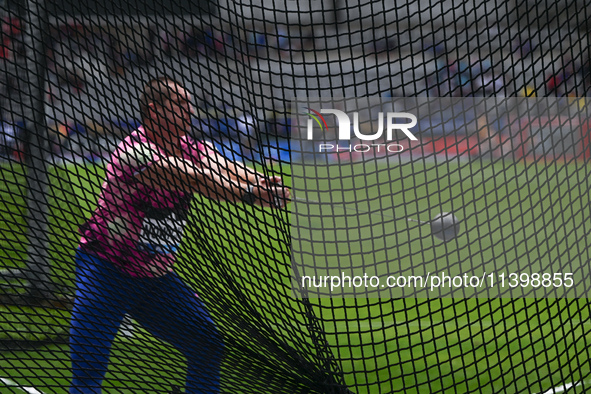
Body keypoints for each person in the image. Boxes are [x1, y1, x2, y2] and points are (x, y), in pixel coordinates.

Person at [69, 76, 290, 394]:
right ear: (154, 110)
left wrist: (261, 180)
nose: (190, 109)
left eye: (189, 102)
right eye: (180, 103)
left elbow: (224, 168)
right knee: (88, 374)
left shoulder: (194, 146)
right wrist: (252, 195)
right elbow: (196, 180)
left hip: (155, 279)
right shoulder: (135, 152)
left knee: (207, 344)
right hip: (106, 272)